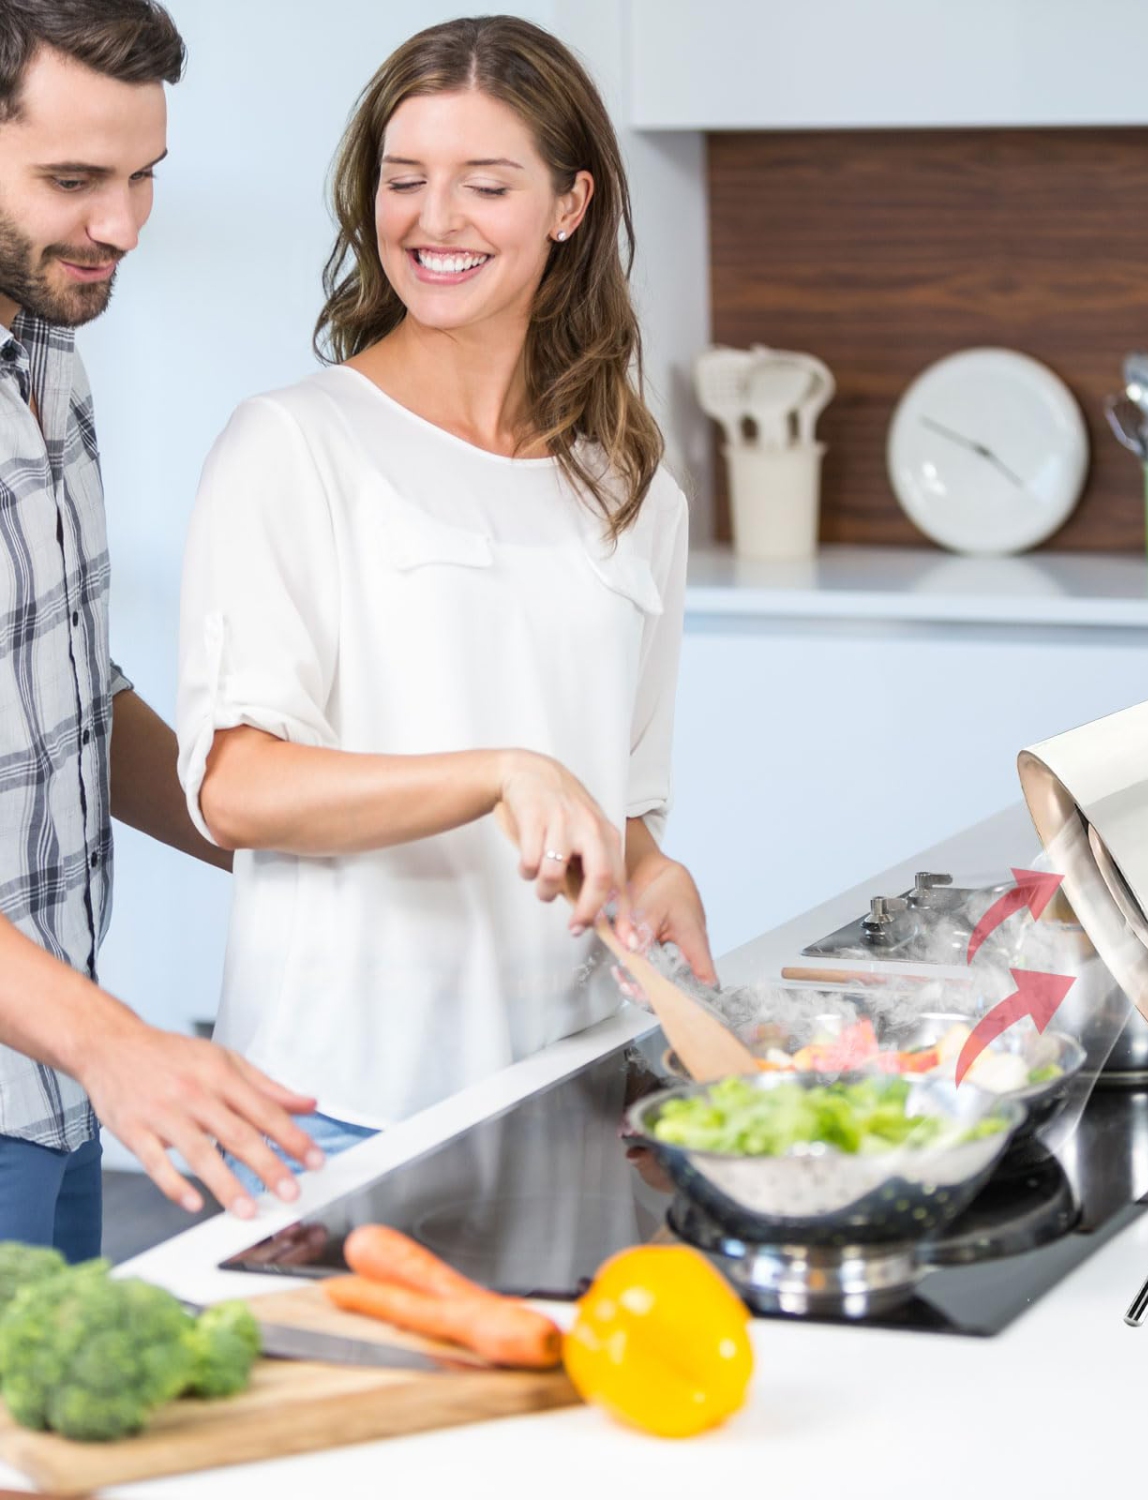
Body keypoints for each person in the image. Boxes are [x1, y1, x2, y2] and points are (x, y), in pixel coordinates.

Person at [177, 15, 714, 1180]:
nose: (435, 220)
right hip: (340, 1098)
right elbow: (237, 787)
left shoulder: (629, 486)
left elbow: (611, 802)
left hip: (568, 1074)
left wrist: (651, 866)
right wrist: (495, 771)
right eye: (404, 179)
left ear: (571, 205)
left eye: (487, 184)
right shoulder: (294, 447)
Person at [0, 0, 323, 1257]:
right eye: (76, 181)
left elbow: (64, 697)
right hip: (72, 1052)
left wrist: (300, 849)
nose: (123, 227)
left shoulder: (45, 344)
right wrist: (119, 1042)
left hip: (52, 1081)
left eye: (144, 177)